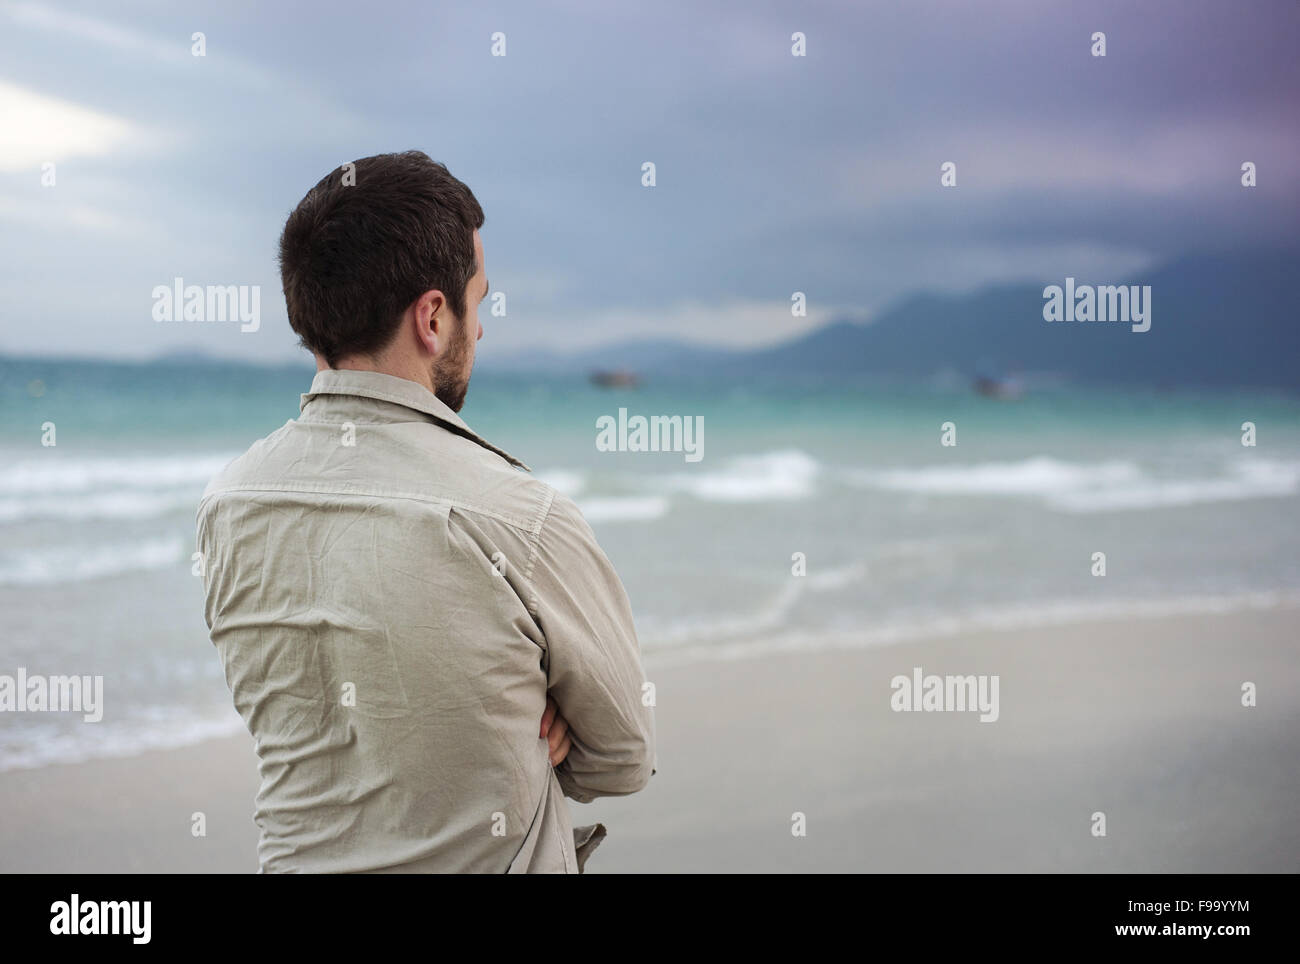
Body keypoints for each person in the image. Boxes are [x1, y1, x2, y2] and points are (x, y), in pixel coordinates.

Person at [195, 151, 655, 873]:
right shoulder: (519, 519)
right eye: (480, 303)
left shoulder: (228, 505)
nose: (482, 331)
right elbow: (622, 759)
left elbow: (305, 727)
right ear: (434, 317)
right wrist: (523, 736)